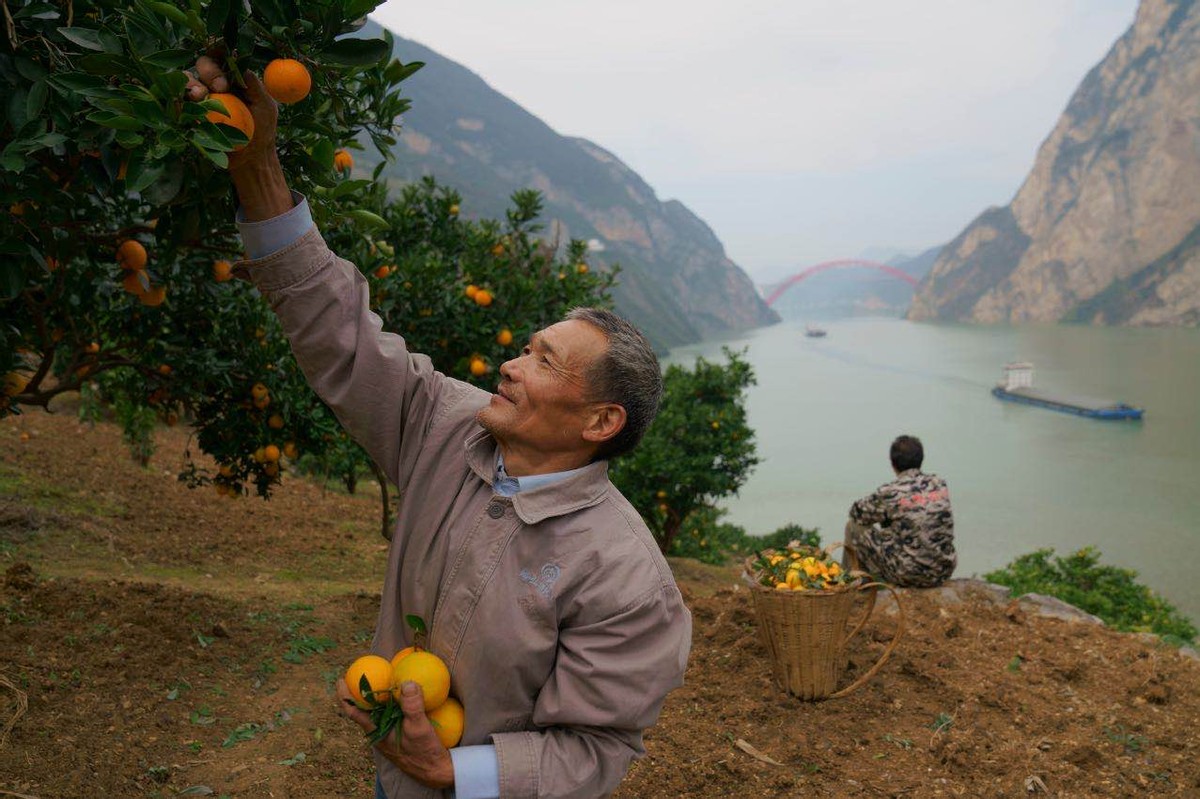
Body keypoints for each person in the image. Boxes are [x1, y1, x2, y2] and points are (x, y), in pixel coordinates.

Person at [185, 60, 692, 799]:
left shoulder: (625, 576)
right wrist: (256, 161)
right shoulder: (446, 425)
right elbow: (337, 327)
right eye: (525, 347)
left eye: (543, 360)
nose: (512, 366)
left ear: (601, 420)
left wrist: (454, 770)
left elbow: (595, 747)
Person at [843, 435, 956, 588]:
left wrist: (885, 517)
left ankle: (854, 588)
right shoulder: (939, 484)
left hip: (908, 574)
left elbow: (856, 513)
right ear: (921, 459)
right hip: (942, 571)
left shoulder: (891, 492)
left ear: (893, 464)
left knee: (853, 527)